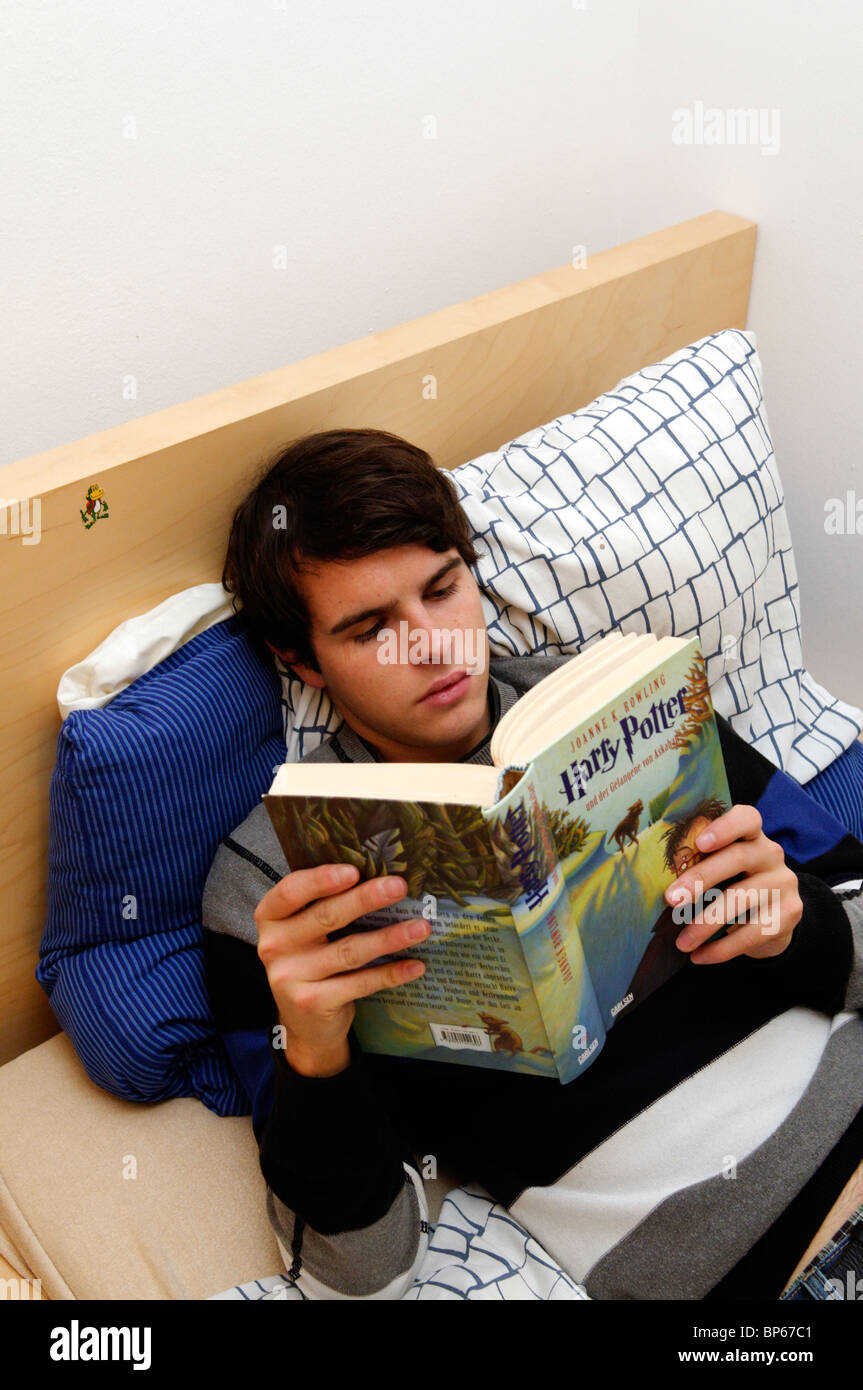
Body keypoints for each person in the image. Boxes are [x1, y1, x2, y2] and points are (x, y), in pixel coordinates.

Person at [201, 427, 863, 1301]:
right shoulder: (270, 879)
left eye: (443, 589)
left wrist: (799, 925)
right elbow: (357, 1273)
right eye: (369, 630)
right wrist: (315, 1058)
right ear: (300, 661)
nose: (433, 644)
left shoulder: (621, 697)